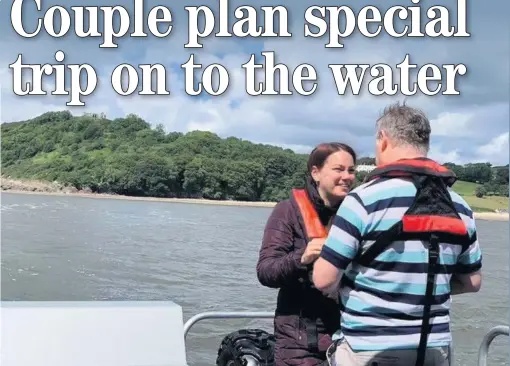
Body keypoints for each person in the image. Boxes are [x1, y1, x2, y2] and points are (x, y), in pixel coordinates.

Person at [312, 102, 483, 366]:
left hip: (370, 348)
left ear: (383, 140)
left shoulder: (363, 199)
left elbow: (324, 280)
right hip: (434, 349)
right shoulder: (460, 206)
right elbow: (472, 282)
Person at [256, 142, 357, 366]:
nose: (347, 176)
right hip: (299, 342)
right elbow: (265, 271)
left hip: (351, 337)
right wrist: (301, 257)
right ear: (316, 172)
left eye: (351, 170)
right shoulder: (287, 211)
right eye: (338, 169)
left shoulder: (357, 212)